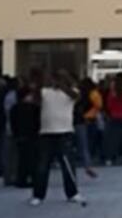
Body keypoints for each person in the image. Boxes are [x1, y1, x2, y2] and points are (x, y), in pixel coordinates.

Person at [31, 70, 84, 206]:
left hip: (65, 132)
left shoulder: (71, 92)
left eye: (60, 79)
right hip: (46, 133)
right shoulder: (45, 92)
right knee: (42, 166)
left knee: (67, 165)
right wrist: (40, 81)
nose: (56, 81)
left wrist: (63, 85)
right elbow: (36, 99)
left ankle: (72, 193)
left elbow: (77, 96)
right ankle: (38, 195)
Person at [10, 80, 40, 189]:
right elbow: (37, 123)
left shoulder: (15, 108)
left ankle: (21, 179)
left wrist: (16, 135)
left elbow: (13, 123)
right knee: (32, 159)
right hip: (32, 136)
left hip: (20, 136)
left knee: (22, 159)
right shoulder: (34, 108)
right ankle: (32, 178)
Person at [73, 77, 100, 178]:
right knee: (84, 145)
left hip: (72, 121)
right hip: (82, 120)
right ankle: (88, 166)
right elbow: (98, 106)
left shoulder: (80, 94)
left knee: (71, 145)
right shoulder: (89, 94)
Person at [103, 73, 122, 166]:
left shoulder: (111, 94)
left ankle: (110, 158)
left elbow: (109, 106)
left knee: (112, 139)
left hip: (113, 117)